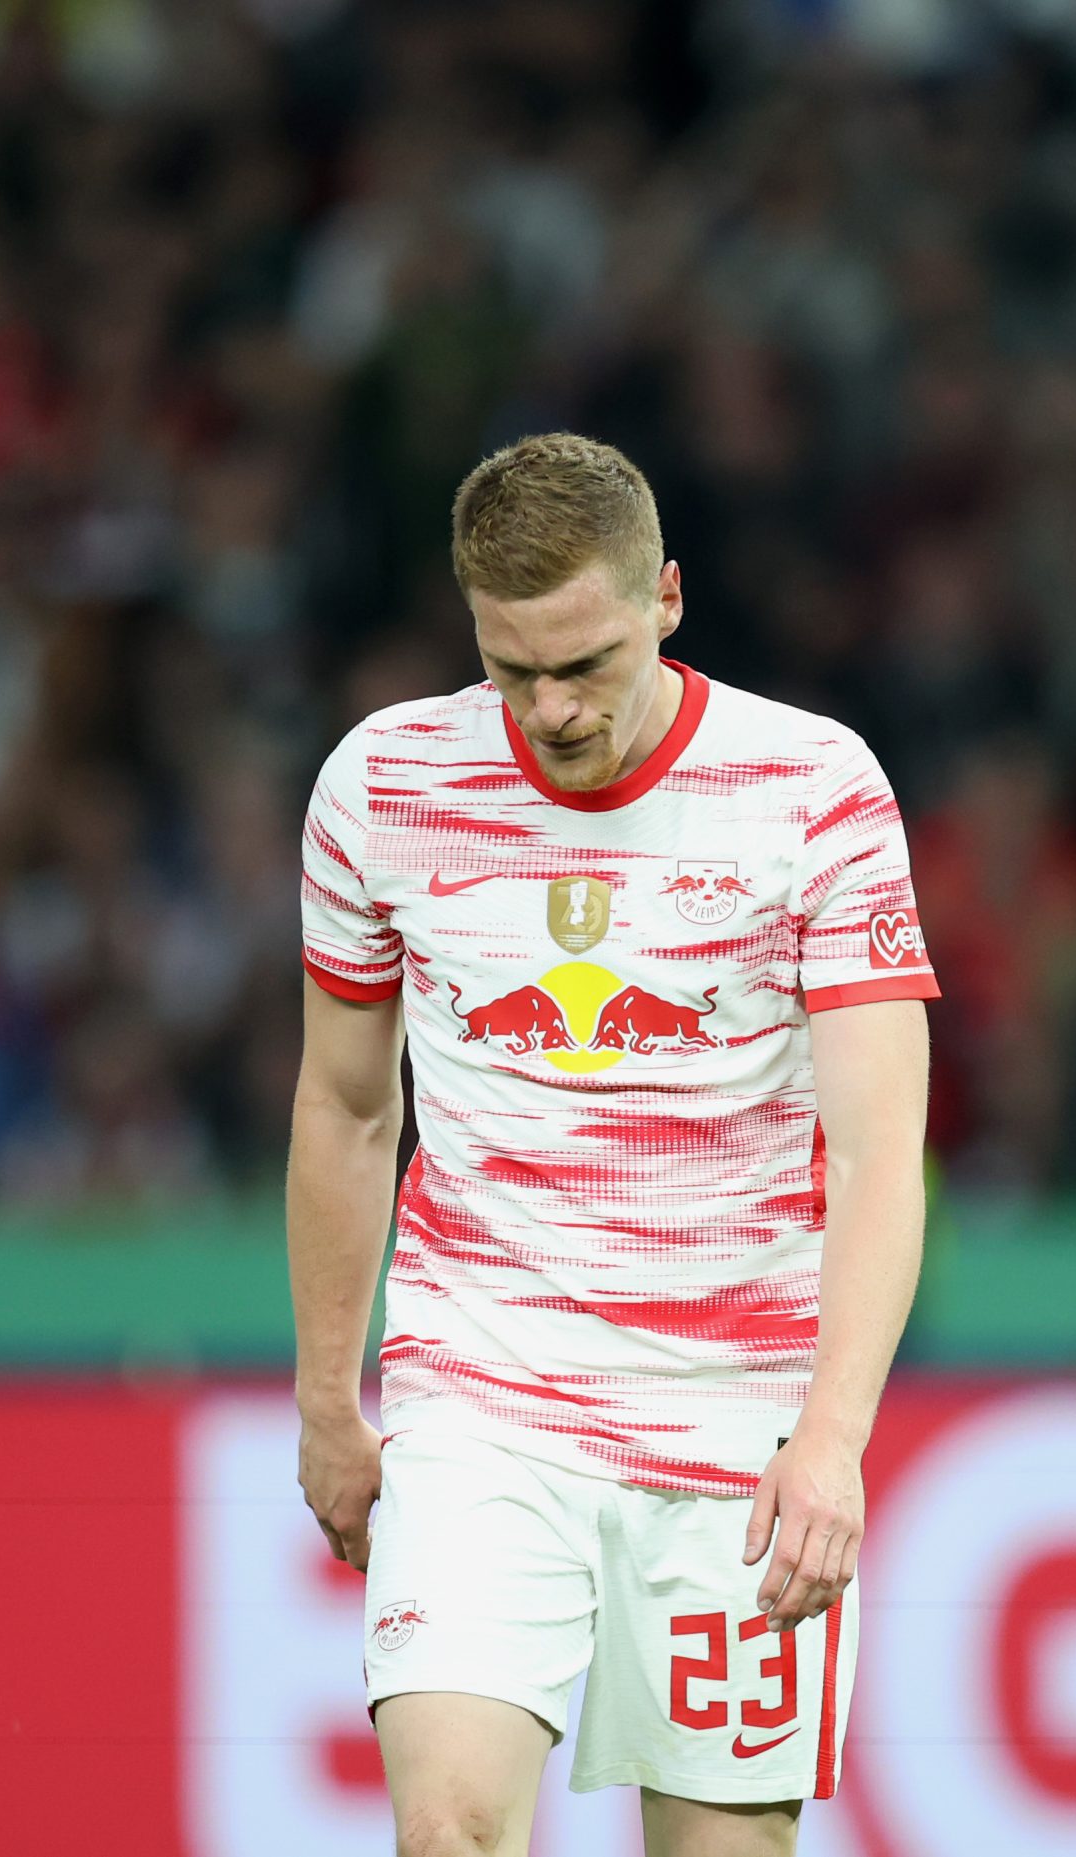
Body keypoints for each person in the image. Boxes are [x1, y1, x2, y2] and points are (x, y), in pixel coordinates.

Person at [289, 433, 936, 1857]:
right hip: (482, 1394)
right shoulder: (384, 787)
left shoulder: (814, 791)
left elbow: (883, 1149)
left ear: (669, 600)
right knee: (447, 1824)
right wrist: (330, 1390)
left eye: (583, 663)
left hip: (737, 1419)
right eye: (511, 668)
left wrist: (831, 1438)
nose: (550, 711)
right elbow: (346, 1104)